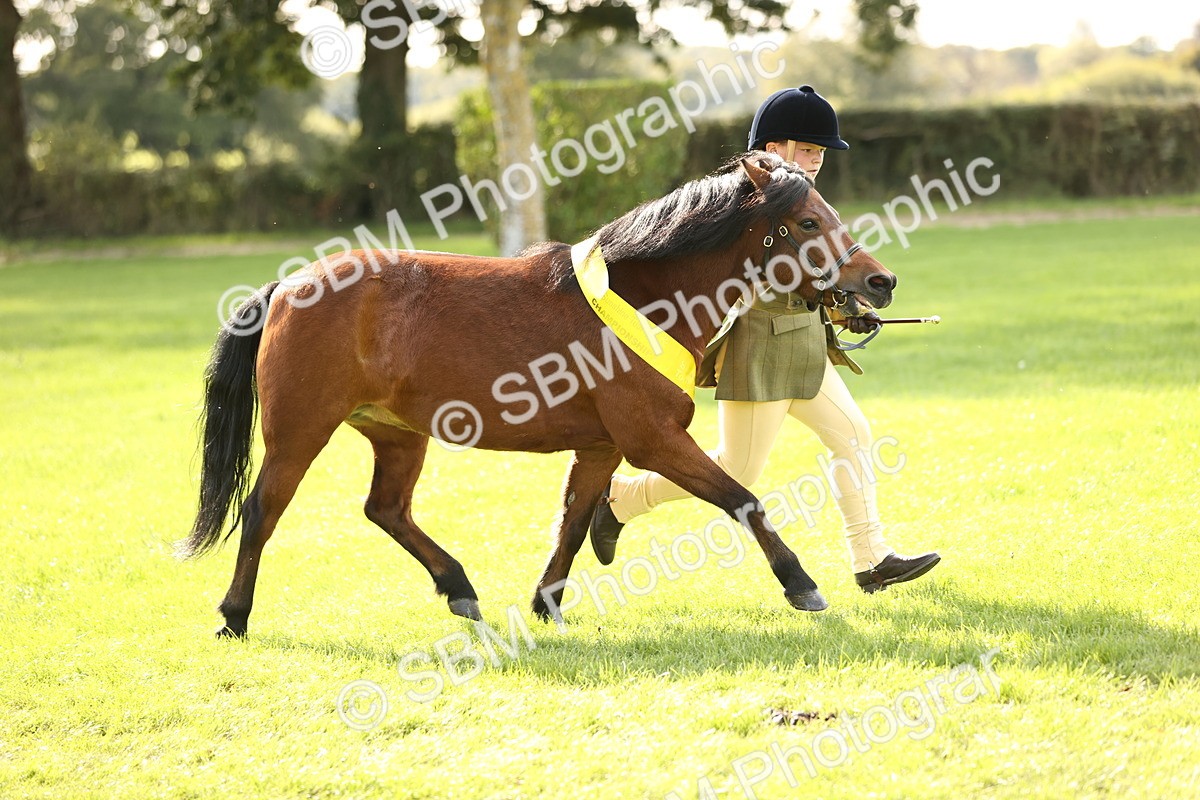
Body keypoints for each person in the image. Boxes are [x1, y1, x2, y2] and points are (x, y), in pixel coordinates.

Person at [589, 85, 940, 596]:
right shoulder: (745, 203)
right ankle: (622, 499)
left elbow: (819, 268)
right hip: (761, 347)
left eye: (821, 152)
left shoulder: (797, 195)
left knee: (853, 435)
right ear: (774, 149)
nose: (817, 161)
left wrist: (848, 308)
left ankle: (871, 558)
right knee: (737, 467)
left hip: (803, 345)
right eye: (809, 150)